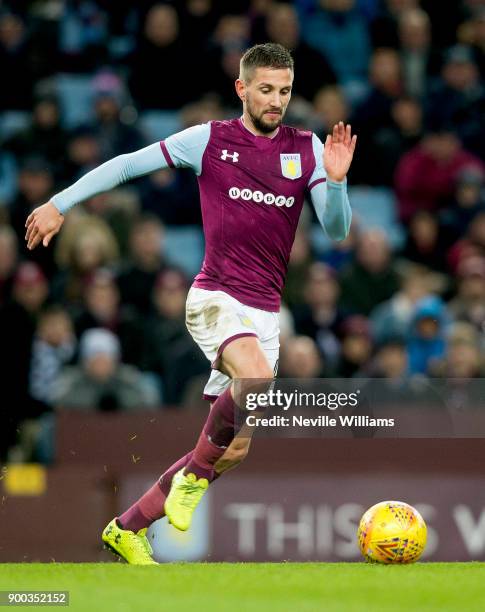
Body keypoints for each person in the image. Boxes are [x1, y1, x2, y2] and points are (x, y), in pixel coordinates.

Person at [25, 43, 356, 565]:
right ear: (242, 89)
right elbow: (129, 164)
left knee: (236, 447)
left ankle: (127, 527)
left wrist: (335, 184)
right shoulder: (209, 139)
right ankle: (193, 480)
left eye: (285, 91)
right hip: (215, 296)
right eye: (266, 90)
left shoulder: (307, 148)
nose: (276, 101)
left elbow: (336, 231)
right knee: (254, 380)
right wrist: (58, 203)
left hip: (265, 314)